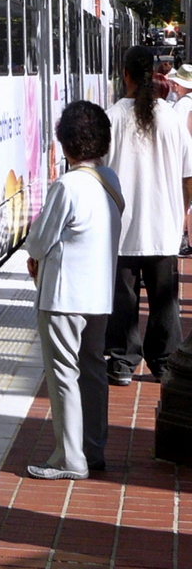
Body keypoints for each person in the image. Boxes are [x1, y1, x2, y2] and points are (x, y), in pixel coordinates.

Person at [24, 100, 123, 481]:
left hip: (63, 297)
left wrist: (35, 257)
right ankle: (93, 449)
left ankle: (70, 457)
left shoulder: (66, 185)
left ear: (65, 144)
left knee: (63, 373)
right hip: (100, 293)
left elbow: (39, 242)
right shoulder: (109, 180)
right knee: (94, 371)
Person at [106, 45, 192, 385]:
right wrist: (182, 210)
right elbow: (189, 176)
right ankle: (164, 361)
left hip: (122, 227)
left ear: (125, 74)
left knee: (123, 299)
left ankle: (123, 362)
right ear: (154, 74)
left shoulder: (111, 117)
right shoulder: (172, 120)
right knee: (164, 300)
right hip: (164, 226)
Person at [167, 62, 192, 255]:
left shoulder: (182, 105)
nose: (174, 87)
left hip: (185, 160)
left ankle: (187, 239)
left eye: (177, 83)